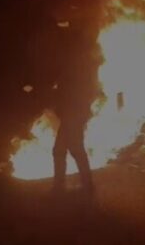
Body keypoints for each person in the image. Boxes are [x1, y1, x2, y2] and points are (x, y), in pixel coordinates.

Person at [52, 32, 96, 196]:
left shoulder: (77, 69)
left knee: (70, 149)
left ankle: (80, 185)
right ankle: (76, 185)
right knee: (63, 149)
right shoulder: (73, 68)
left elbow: (78, 93)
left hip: (74, 114)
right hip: (72, 114)